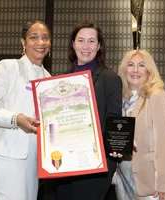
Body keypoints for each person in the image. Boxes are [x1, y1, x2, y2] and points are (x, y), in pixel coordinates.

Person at [0, 20, 52, 200]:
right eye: (34, 37)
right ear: (23, 42)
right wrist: (15, 119)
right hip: (5, 154)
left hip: (34, 158)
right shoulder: (9, 67)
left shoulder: (49, 79)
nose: (41, 42)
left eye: (45, 38)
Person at [43, 19, 122, 200]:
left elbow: (113, 120)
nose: (86, 46)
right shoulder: (60, 81)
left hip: (94, 166)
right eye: (81, 40)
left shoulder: (110, 79)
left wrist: (118, 144)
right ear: (73, 43)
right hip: (63, 165)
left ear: (99, 45)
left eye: (91, 41)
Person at [112, 50, 165, 200]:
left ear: (149, 70)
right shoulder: (121, 99)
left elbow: (164, 143)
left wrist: (164, 184)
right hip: (123, 179)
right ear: (124, 70)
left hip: (149, 183)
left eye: (141, 65)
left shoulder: (157, 96)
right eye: (130, 65)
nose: (135, 70)